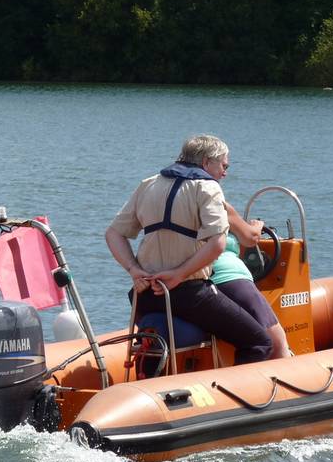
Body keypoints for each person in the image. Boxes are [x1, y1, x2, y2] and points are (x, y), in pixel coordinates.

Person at [105, 135, 272, 365]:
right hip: (189, 294)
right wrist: (180, 274)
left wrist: (134, 270)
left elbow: (113, 233)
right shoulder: (207, 187)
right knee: (259, 342)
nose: (225, 172)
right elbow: (218, 243)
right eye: (224, 165)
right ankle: (237, 398)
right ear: (206, 163)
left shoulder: (149, 184)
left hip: (144, 296)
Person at [213, 205, 292, 359]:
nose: (223, 178)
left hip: (195, 281)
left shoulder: (177, 201)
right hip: (230, 278)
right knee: (278, 342)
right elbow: (251, 238)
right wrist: (257, 226)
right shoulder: (215, 202)